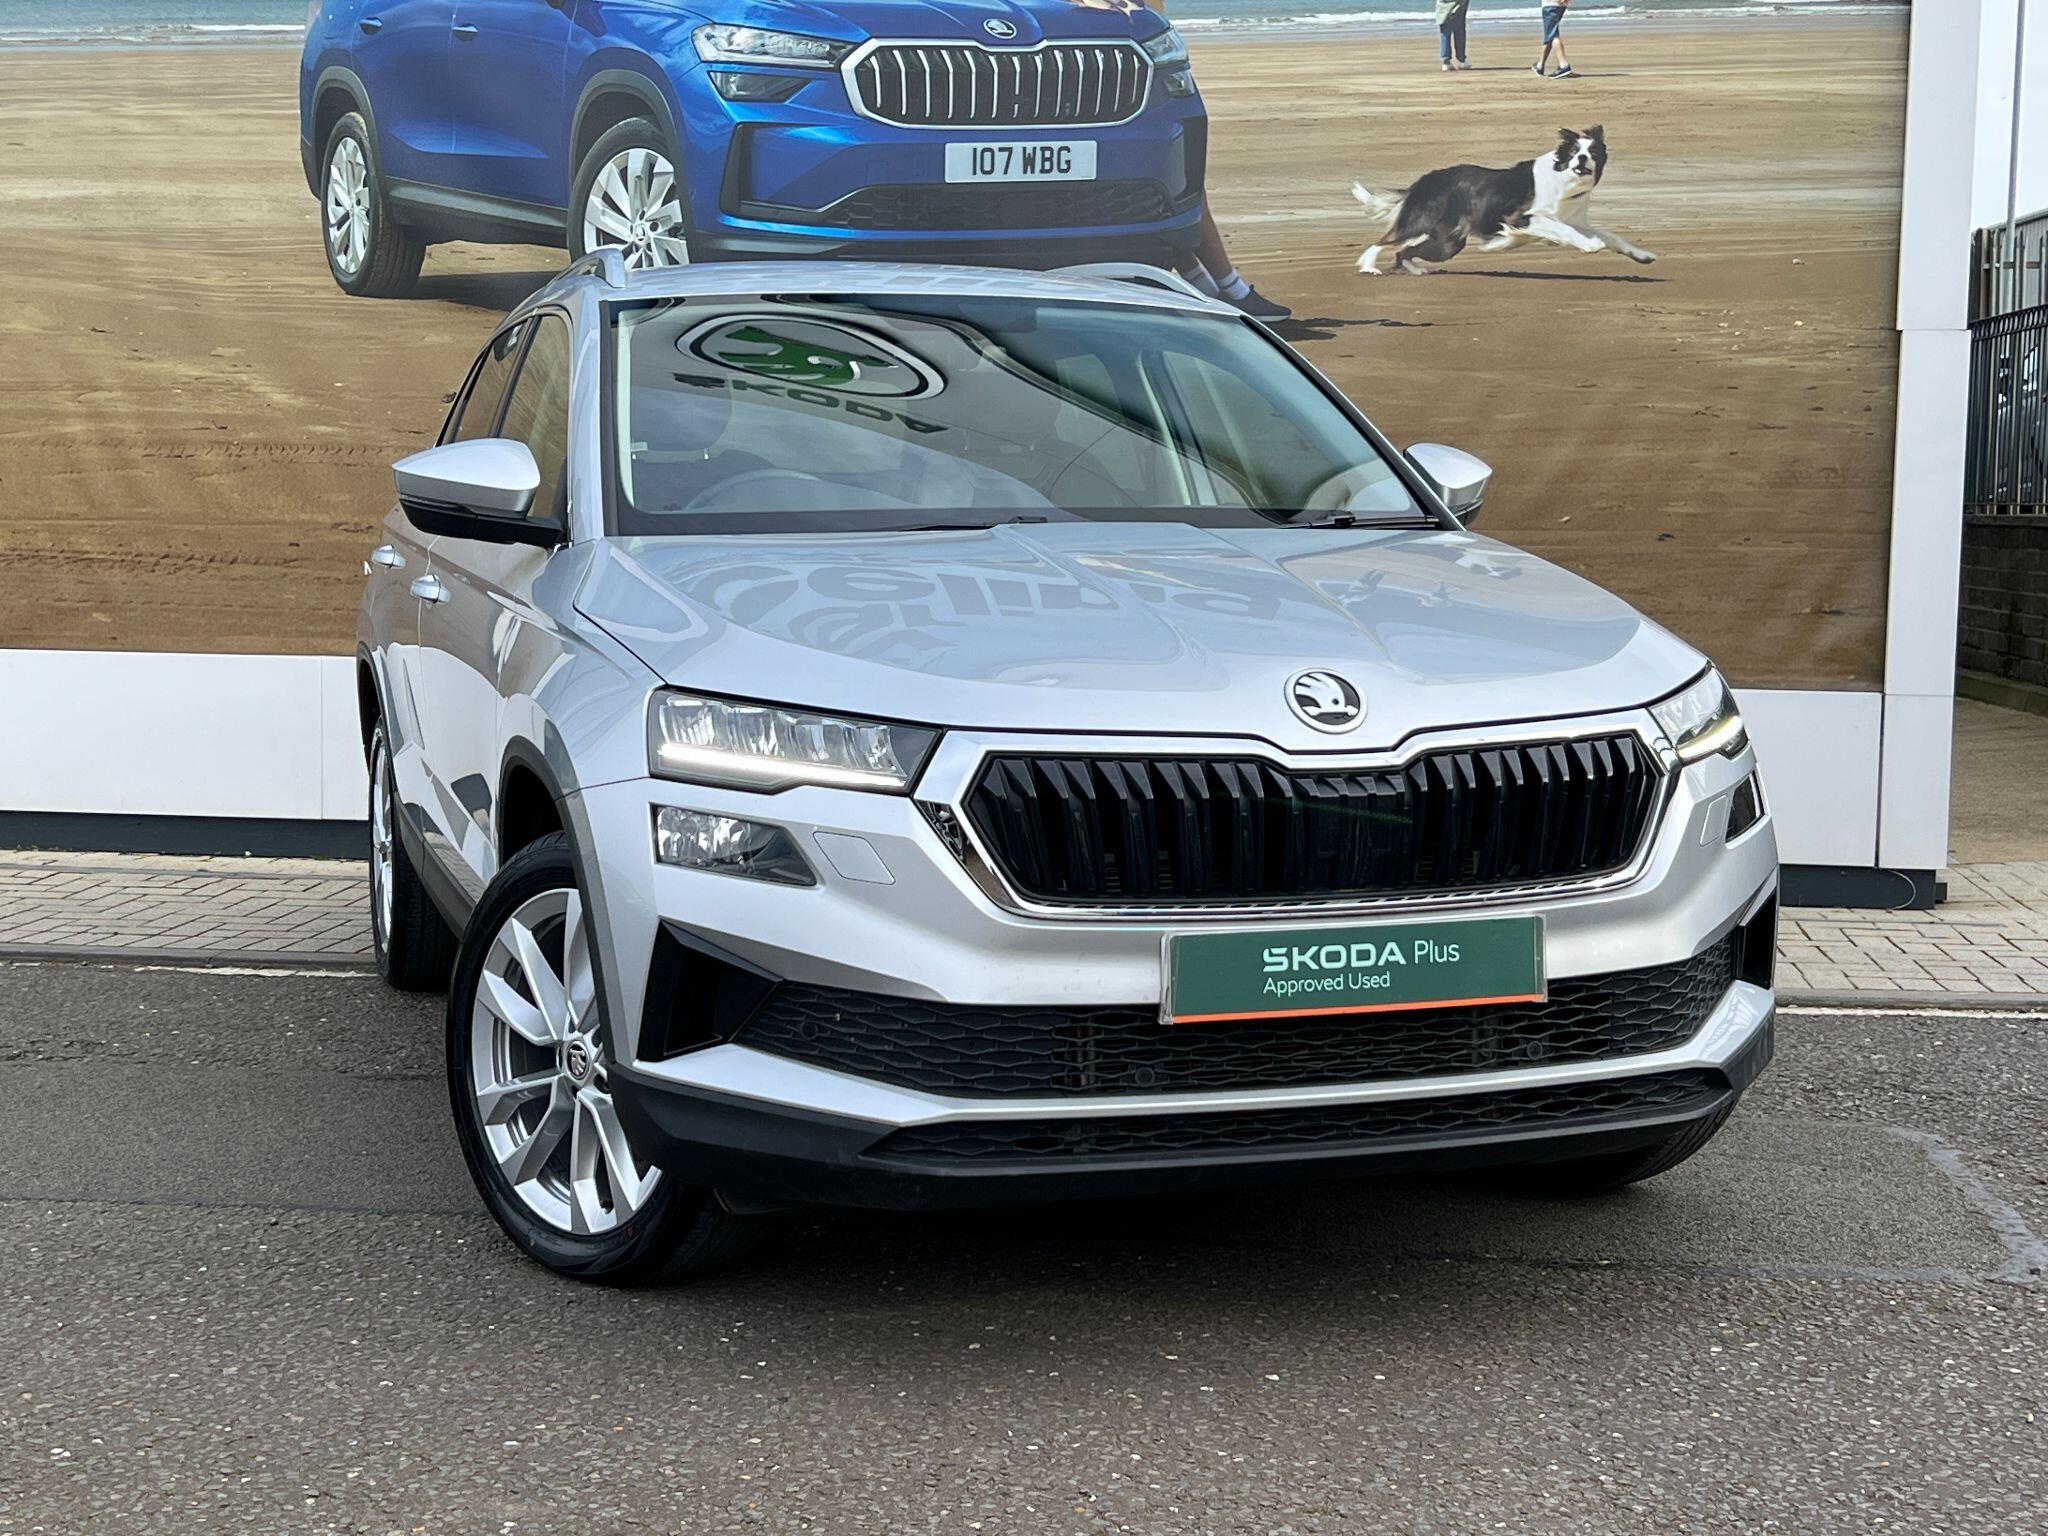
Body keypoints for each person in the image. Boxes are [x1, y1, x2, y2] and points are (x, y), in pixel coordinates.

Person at [1137, 0, 1293, 321]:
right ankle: (1228, 289)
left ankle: (1213, 288)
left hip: (1153, 61)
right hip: (1143, 70)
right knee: (1178, 190)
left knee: (1175, 191)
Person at [1533, 0, 1576, 78]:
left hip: (1551, 5)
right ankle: (1540, 65)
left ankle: (1563, 65)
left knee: (1553, 35)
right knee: (1550, 34)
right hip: (1558, 5)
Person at [1436, 0, 1471, 72]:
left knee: (1445, 33)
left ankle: (1446, 62)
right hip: (1458, 4)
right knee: (1459, 31)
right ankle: (1461, 60)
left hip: (1443, 5)